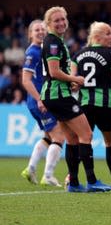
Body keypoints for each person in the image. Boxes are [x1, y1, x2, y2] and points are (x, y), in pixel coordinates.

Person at [40, 6, 111, 192]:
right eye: (56, 20)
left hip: (55, 95)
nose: (61, 23)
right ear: (48, 24)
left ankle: (73, 183)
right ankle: (92, 181)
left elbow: (54, 72)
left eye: (63, 19)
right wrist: (75, 79)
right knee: (86, 134)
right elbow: (54, 72)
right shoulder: (53, 42)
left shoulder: (56, 41)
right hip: (59, 96)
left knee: (71, 139)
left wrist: (70, 83)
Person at [71, 21, 111, 189]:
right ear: (96, 36)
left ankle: (73, 177)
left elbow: (73, 81)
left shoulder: (77, 55)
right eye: (108, 33)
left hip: (84, 105)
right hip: (105, 105)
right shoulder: (110, 54)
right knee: (110, 142)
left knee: (83, 140)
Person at [20, 20, 67, 187]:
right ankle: (48, 175)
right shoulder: (33, 52)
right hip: (39, 100)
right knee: (59, 135)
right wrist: (40, 99)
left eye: (42, 29)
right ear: (30, 34)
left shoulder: (41, 50)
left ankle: (31, 168)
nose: (40, 32)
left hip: (37, 100)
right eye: (36, 30)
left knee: (48, 136)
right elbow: (26, 81)